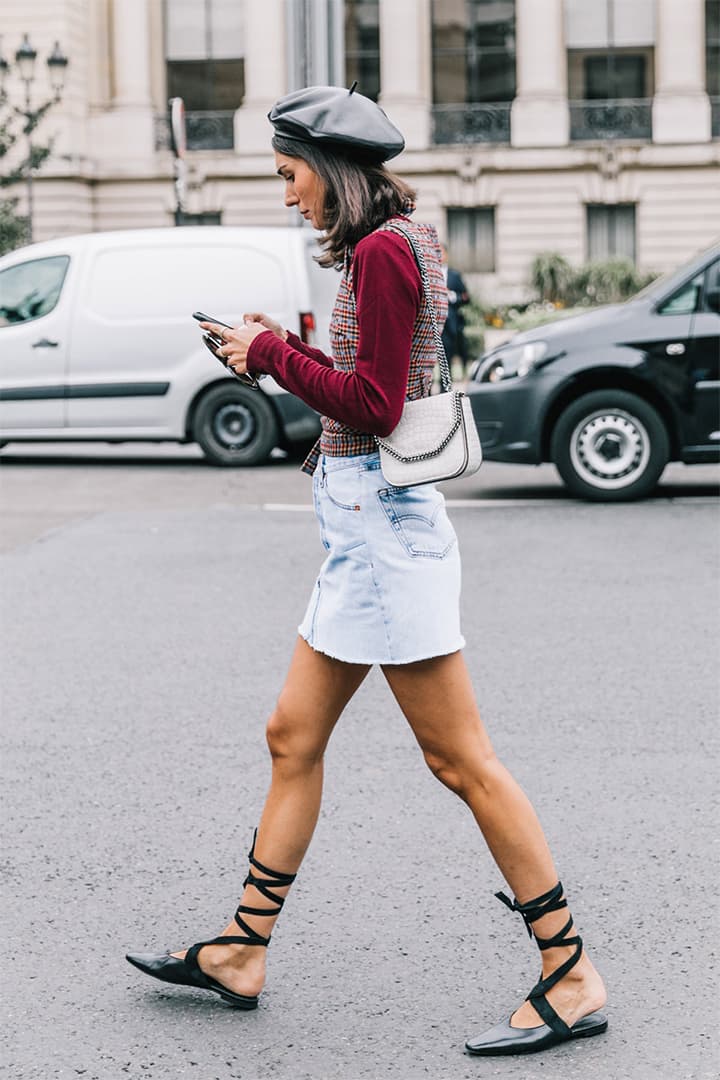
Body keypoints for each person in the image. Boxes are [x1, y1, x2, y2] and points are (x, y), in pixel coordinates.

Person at [126, 85, 607, 1058]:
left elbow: (379, 405)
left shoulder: (386, 253)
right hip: (360, 530)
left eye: (291, 173)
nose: (289, 194)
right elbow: (363, 387)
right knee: (290, 735)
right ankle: (242, 951)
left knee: (460, 760)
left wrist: (270, 351)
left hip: (383, 530)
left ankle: (570, 969)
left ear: (331, 167)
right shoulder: (399, 241)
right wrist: (282, 353)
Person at [440, 244, 471, 378]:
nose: (439, 256)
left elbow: (466, 297)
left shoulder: (454, 275)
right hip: (433, 322)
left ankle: (446, 386)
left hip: (451, 322)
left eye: (441, 252)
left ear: (446, 255)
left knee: (448, 355)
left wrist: (451, 295)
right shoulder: (427, 274)